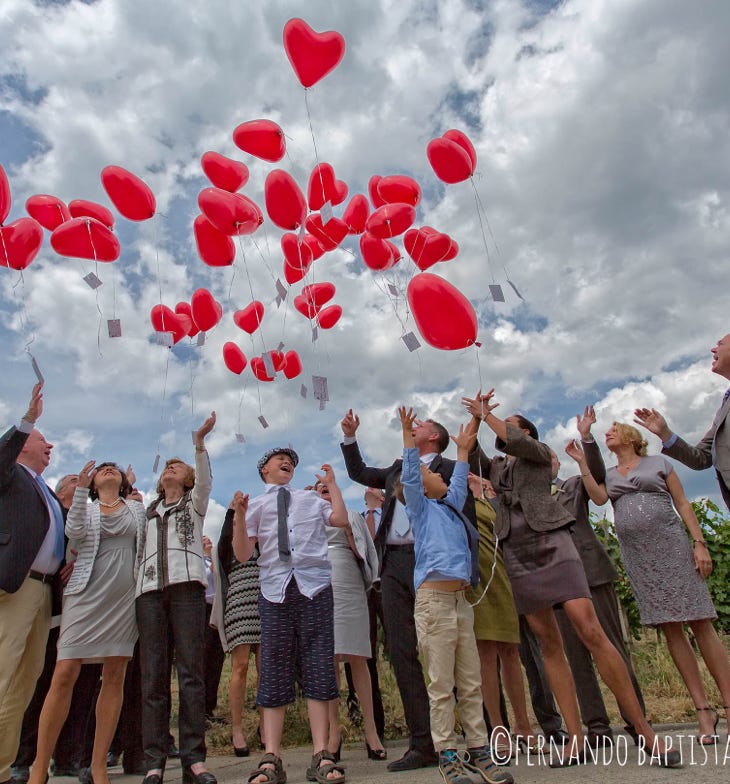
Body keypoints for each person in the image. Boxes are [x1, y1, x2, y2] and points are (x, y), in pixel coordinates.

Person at [461, 390, 679, 767]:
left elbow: (516, 442)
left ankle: (643, 730)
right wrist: (477, 420)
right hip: (516, 549)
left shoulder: (540, 453)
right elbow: (474, 456)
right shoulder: (498, 467)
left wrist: (489, 417)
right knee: (548, 643)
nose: (505, 431)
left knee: (589, 629)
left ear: (528, 433)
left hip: (551, 541)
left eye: (513, 427)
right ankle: (575, 739)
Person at [340, 409, 474, 772]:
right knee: (402, 651)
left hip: (435, 563)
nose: (414, 427)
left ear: (435, 436)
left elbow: (466, 517)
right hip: (395, 564)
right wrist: (350, 438)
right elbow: (358, 472)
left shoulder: (450, 468)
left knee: (450, 651)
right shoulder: (397, 470)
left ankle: (478, 739)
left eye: (421, 425)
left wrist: (468, 572)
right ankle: (422, 743)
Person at [584, 421, 730, 742]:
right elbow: (596, 499)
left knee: (700, 621)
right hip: (639, 558)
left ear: (631, 438)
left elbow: (682, 503)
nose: (608, 434)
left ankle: (729, 703)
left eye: (613, 430)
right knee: (670, 627)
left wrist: (699, 543)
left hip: (673, 547)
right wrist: (582, 462)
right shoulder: (607, 472)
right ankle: (703, 709)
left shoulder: (659, 463)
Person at [397, 406, 512, 784]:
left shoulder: (453, 504)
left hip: (462, 602)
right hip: (434, 603)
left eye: (434, 472)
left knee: (471, 680)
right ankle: (447, 752)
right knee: (441, 683)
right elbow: (412, 476)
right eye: (428, 473)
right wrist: (405, 433)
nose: (432, 474)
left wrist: (466, 444)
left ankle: (479, 749)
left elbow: (461, 465)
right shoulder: (421, 509)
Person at [232, 449, 348, 784]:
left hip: (314, 586)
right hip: (274, 589)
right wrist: (240, 516)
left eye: (292, 461)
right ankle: (271, 756)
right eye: (280, 459)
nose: (288, 463)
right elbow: (242, 554)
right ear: (264, 468)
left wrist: (332, 485)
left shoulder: (310, 500)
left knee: (319, 663)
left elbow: (339, 519)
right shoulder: (255, 505)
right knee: (273, 667)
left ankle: (321, 753)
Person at [28, 460, 145, 784]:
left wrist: (132, 490)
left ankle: (98, 765)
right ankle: (39, 766)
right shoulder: (87, 507)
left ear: (122, 480)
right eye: (102, 468)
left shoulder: (135, 508)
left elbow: (144, 542)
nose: (108, 469)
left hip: (122, 600)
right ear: (93, 483)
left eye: (115, 469)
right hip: (84, 594)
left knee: (114, 674)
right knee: (64, 672)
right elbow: (74, 532)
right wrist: (80, 490)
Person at [136, 412, 217, 784]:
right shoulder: (146, 513)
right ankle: (154, 760)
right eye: (167, 465)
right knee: (153, 678)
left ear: (187, 480)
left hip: (187, 590)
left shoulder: (193, 504)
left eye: (178, 465)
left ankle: (194, 761)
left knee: (190, 675)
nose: (170, 466)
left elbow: (205, 481)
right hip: (149, 593)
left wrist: (198, 443)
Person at [559, 417, 646, 746]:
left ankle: (637, 720)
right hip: (557, 582)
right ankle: (596, 727)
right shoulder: (530, 497)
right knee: (575, 656)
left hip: (591, 572)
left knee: (612, 644)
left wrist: (587, 440)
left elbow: (596, 476)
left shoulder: (572, 485)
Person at [0, 384, 67, 784]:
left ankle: (3, 769)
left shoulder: (46, 490)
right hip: (16, 587)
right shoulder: (10, 476)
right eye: (43, 440)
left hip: (44, 594)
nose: (50, 445)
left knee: (23, 686)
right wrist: (29, 421)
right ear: (22, 444)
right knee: (3, 674)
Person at [313, 480, 385, 762]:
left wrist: (346, 530)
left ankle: (371, 732)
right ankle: (334, 733)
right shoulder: (309, 518)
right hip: (318, 584)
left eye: (328, 486)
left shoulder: (352, 516)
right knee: (328, 659)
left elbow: (364, 554)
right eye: (319, 488)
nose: (323, 489)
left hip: (349, 582)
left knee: (358, 657)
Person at [465, 473, 535, 757]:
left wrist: (489, 493)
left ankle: (524, 725)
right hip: (477, 580)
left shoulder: (492, 495)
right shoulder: (457, 492)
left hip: (504, 576)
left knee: (511, 652)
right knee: (486, 654)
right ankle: (497, 729)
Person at [634, 333, 730, 511]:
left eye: (720, 344)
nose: (713, 349)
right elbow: (700, 458)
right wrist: (665, 434)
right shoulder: (724, 407)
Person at [214, 504, 262, 757]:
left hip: (264, 603)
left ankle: (266, 725)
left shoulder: (261, 543)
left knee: (266, 667)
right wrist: (232, 512)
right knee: (240, 666)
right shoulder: (226, 548)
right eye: (234, 523)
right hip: (238, 605)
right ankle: (237, 729)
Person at [343, 488, 386, 739]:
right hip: (366, 588)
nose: (368, 489)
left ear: (382, 498)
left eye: (375, 489)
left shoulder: (389, 514)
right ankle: (374, 726)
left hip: (391, 583)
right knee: (362, 653)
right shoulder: (355, 518)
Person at [201, 536, 226, 729]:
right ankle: (199, 709)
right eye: (203, 539)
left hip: (217, 610)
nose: (208, 541)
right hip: (202, 611)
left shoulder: (212, 560)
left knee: (216, 660)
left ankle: (209, 706)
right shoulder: (199, 562)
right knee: (203, 659)